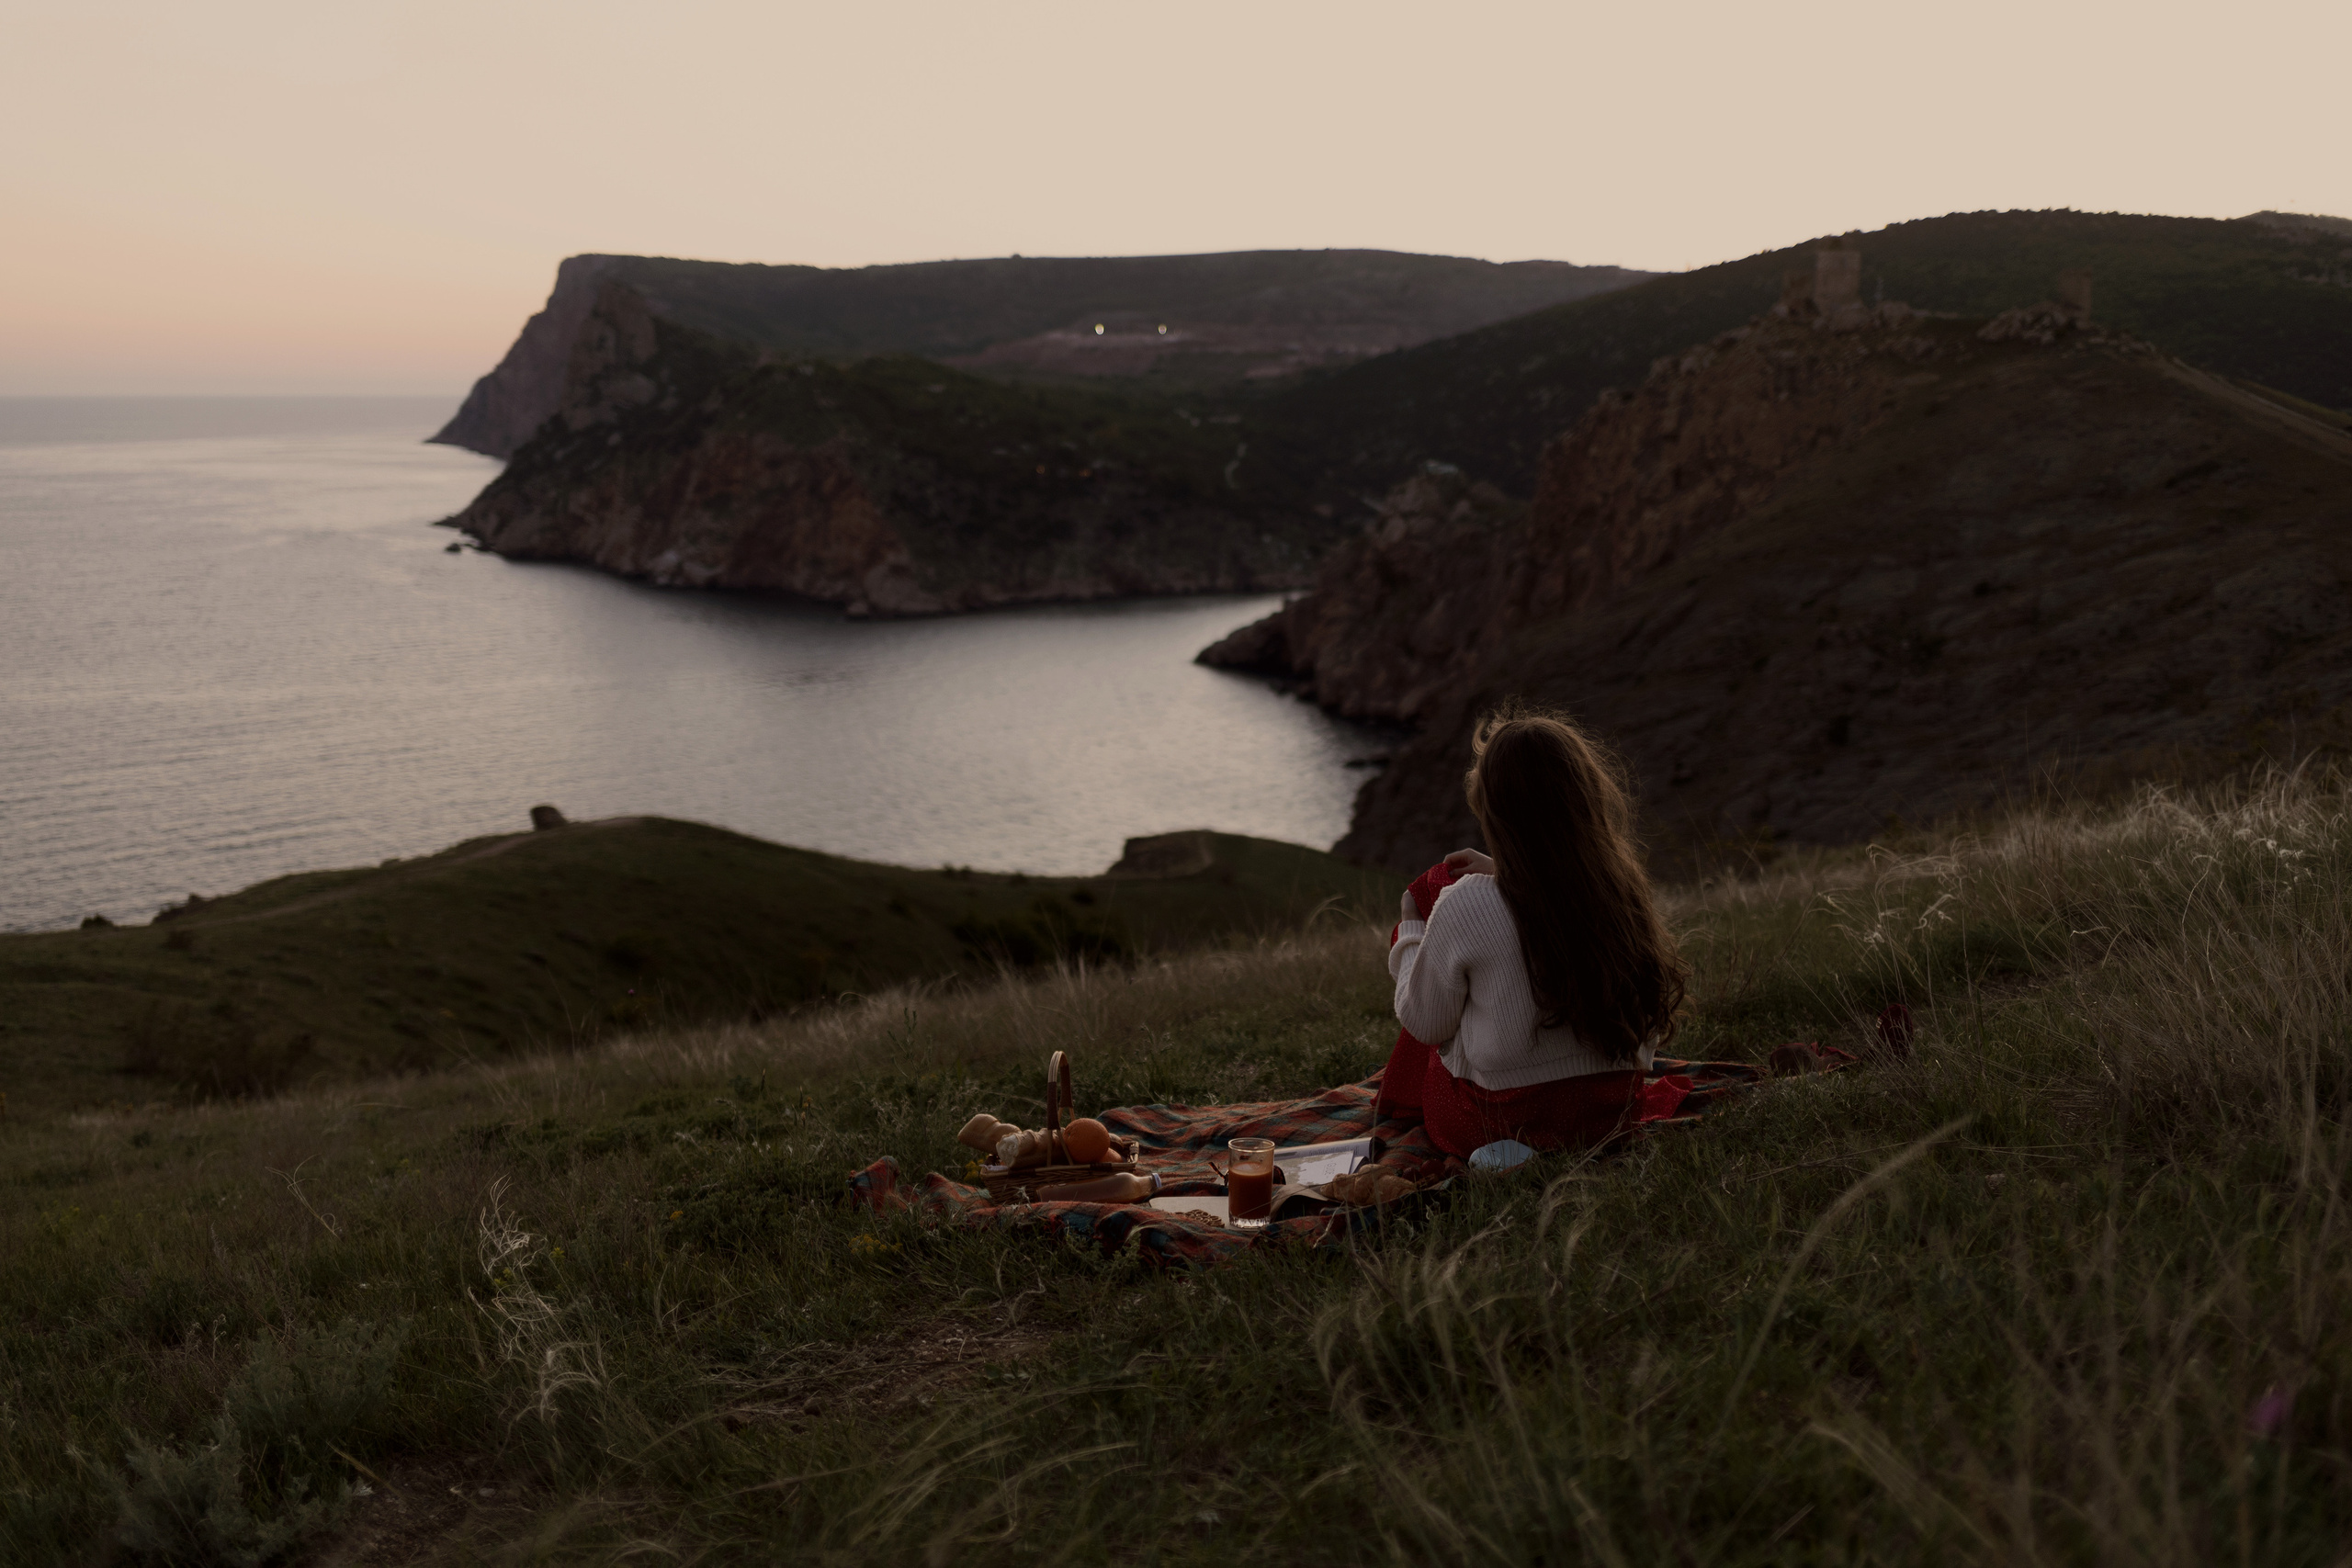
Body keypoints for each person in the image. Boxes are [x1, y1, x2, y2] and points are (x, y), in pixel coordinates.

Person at [1382, 709, 1689, 1156]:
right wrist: (1506, 873)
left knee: (1436, 994)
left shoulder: (1465, 903)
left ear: (1493, 811)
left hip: (1499, 1124)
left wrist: (1411, 930)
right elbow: (1553, 891)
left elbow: (1426, 1023)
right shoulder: (1619, 889)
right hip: (1609, 1115)